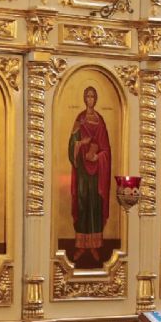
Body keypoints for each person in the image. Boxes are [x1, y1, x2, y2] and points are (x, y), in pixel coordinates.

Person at [68, 86, 112, 267]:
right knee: (82, 202)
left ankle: (94, 245)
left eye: (93, 96)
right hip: (82, 171)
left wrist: (97, 156)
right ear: (84, 99)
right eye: (88, 96)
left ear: (96, 99)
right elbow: (72, 144)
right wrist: (80, 143)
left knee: (94, 204)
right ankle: (81, 245)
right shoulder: (79, 119)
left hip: (96, 173)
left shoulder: (100, 122)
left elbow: (106, 150)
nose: (90, 99)